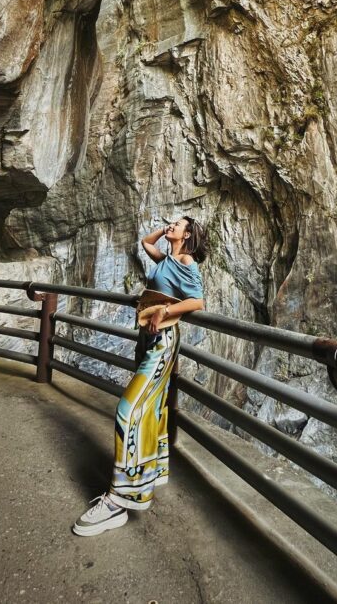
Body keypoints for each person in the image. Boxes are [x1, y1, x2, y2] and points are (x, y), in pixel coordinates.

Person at [72, 215, 207, 536]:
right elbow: (147, 243)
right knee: (150, 408)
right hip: (147, 338)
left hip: (163, 341)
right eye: (171, 223)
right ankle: (149, 472)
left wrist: (164, 311)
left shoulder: (186, 260)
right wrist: (165, 231)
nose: (170, 226)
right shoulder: (166, 258)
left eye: (177, 225)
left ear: (188, 235)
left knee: (128, 410)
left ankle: (120, 500)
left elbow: (197, 301)